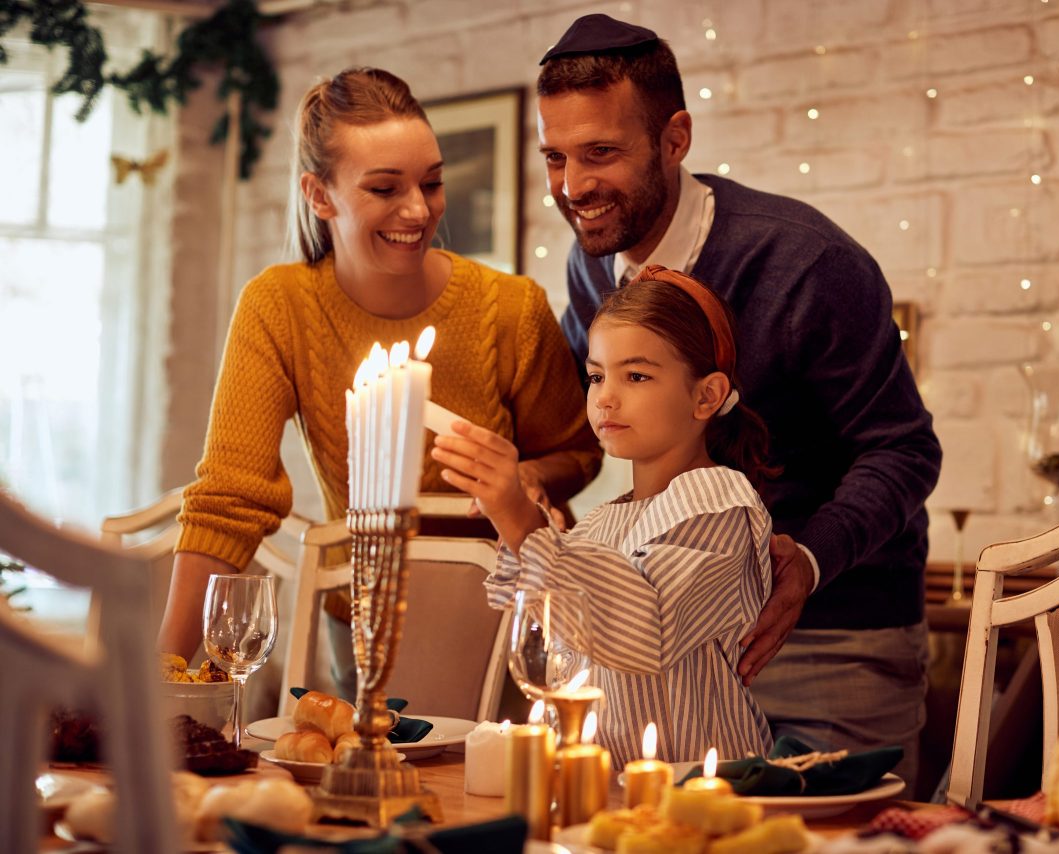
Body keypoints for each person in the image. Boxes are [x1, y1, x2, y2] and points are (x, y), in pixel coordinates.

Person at [536, 15, 943, 789]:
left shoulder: (808, 262)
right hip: (675, 649)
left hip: (831, 642)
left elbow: (903, 449)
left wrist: (809, 563)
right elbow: (589, 425)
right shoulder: (591, 270)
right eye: (555, 157)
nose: (573, 186)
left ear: (676, 138)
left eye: (602, 154)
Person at [155, 67, 602, 700]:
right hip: (358, 624)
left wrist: (527, 478)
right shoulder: (278, 307)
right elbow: (230, 500)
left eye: (433, 182)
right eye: (385, 188)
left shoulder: (510, 309)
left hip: (510, 624)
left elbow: (580, 451)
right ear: (319, 194)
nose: (418, 211)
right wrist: (158, 675)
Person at [431, 266, 774, 764]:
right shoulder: (598, 523)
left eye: (636, 376)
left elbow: (645, 630)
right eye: (596, 376)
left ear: (707, 395)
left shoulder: (721, 503)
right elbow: (538, 623)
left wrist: (524, 522)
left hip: (697, 794)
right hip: (598, 787)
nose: (605, 397)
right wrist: (519, 525)